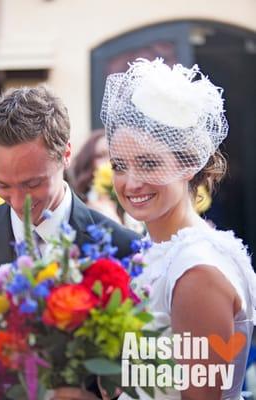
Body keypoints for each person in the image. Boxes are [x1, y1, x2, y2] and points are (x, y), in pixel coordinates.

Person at [100, 58, 256, 400]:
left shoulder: (196, 271)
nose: (130, 182)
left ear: (189, 163)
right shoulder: (164, 250)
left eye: (149, 163)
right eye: (119, 165)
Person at [0, 85, 138, 400]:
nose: (18, 202)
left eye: (33, 183)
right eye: (2, 184)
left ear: (66, 154)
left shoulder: (124, 248)